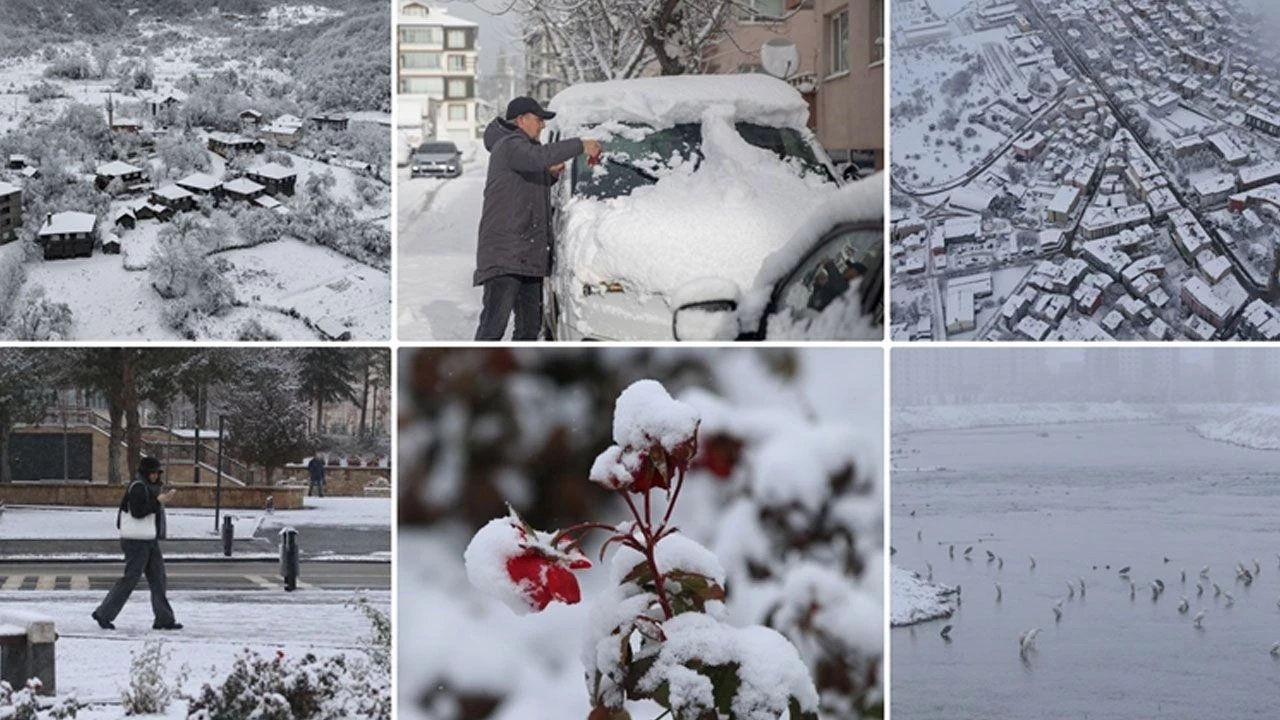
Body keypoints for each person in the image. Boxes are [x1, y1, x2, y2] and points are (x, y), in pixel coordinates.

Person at [474, 96, 602, 340]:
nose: (542, 126)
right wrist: (580, 145)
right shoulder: (509, 144)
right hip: (506, 255)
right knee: (493, 327)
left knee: (530, 328)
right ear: (521, 120)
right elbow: (537, 157)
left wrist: (549, 176)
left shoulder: (520, 150)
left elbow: (526, 186)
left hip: (527, 255)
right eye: (538, 120)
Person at [92, 457, 181, 631]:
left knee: (158, 579)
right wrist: (159, 501)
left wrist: (159, 500)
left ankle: (164, 619)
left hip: (149, 539)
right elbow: (138, 513)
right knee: (131, 579)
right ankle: (104, 613)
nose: (156, 476)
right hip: (136, 542)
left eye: (157, 473)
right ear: (146, 473)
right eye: (153, 473)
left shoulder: (147, 487)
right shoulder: (138, 487)